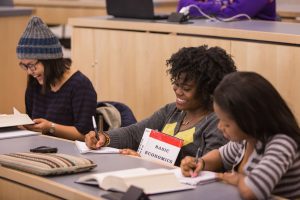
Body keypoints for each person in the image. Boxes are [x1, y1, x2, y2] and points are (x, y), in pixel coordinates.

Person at [85, 45, 237, 166]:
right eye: (176, 84)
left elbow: (204, 170)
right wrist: (104, 138)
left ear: (208, 90)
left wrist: (147, 161)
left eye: (186, 88)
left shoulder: (217, 124)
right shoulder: (172, 111)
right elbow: (134, 134)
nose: (178, 91)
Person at [180, 72, 300, 199]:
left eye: (226, 124)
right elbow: (220, 156)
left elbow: (252, 191)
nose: (220, 127)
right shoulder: (247, 139)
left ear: (250, 120)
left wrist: (235, 179)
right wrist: (200, 162)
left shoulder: (282, 143)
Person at [17, 16, 97, 141]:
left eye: (32, 65)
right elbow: (32, 121)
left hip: (71, 153)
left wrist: (51, 127)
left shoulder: (80, 85)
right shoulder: (34, 83)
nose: (29, 71)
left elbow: (86, 135)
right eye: (25, 66)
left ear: (50, 60)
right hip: (40, 148)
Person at [177, 0, 276, 21]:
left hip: (255, 41)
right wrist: (219, 6)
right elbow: (183, 5)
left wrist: (205, 6)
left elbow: (232, 14)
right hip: (215, 31)